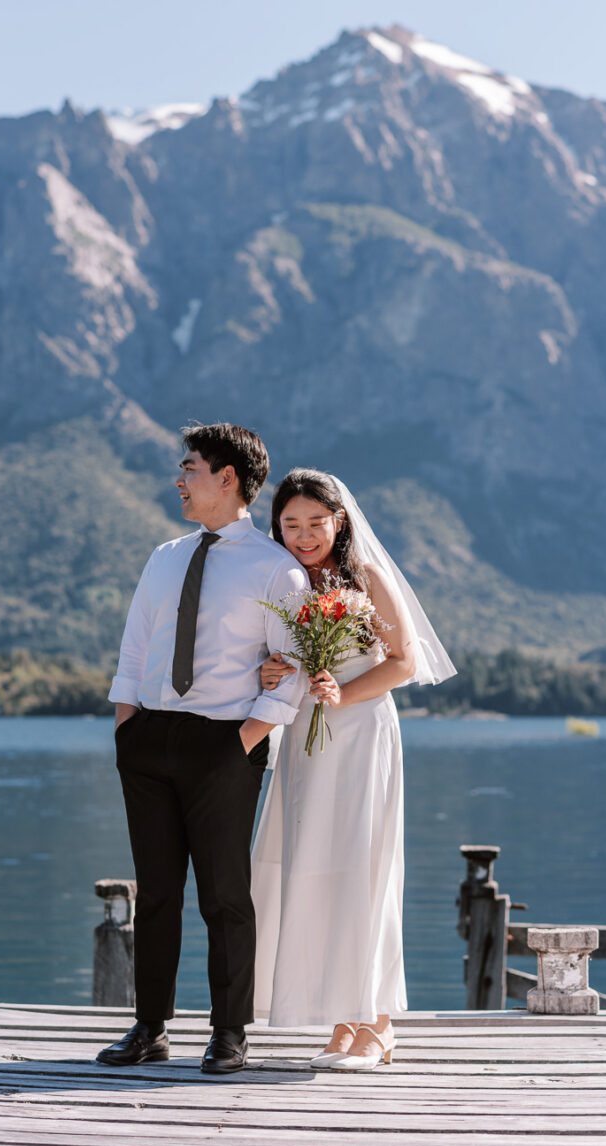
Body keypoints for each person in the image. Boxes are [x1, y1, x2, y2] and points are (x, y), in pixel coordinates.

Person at [96, 424, 308, 1075]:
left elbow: (295, 668)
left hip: (226, 742)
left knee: (224, 894)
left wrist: (242, 740)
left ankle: (230, 1032)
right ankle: (150, 1028)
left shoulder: (277, 567)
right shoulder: (164, 556)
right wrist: (127, 726)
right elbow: (136, 648)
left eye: (189, 467)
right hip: (150, 738)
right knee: (157, 892)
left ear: (227, 478)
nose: (179, 479)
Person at [251, 469, 455, 1070]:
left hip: (361, 733)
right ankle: (344, 1022)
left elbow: (403, 662)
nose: (305, 534)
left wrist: (343, 693)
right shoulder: (285, 579)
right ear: (277, 526)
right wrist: (272, 672)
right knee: (315, 867)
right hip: (306, 744)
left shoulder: (365, 577)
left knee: (363, 866)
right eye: (292, 523)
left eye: (317, 522)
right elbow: (277, 655)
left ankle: (381, 1026)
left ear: (339, 521)